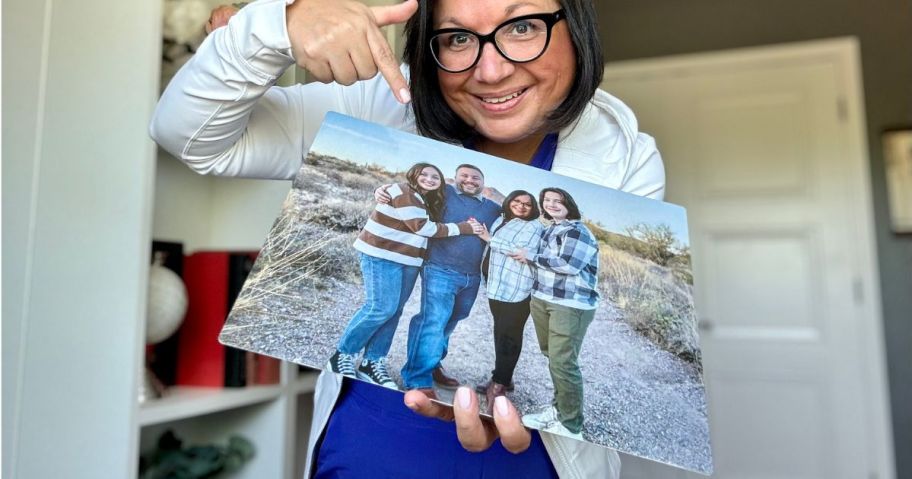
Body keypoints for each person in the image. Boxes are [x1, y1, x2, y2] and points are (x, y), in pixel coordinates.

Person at [150, 0, 665, 476]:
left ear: (575, 27)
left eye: (523, 26)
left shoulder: (622, 155)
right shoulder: (382, 103)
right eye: (457, 39)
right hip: (368, 452)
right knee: (395, 312)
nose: (491, 71)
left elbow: (574, 303)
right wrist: (272, 28)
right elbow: (190, 137)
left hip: (530, 457)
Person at [327, 163, 479, 390]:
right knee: (380, 308)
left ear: (442, 181)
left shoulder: (429, 198)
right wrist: (464, 228)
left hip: (409, 260)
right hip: (382, 255)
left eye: (435, 176)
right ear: (413, 175)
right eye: (424, 174)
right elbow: (423, 228)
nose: (429, 179)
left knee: (394, 311)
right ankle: (342, 355)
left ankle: (373, 362)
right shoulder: (401, 190)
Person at [397, 164, 501, 394]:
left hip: (471, 277)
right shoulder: (445, 192)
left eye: (476, 177)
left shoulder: (493, 208)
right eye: (464, 176)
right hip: (439, 269)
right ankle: (417, 379)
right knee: (433, 320)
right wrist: (382, 190)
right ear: (454, 179)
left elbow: (521, 215)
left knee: (452, 320)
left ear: (484, 182)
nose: (470, 180)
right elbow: (411, 188)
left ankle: (432, 363)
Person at [510, 188, 599, 440]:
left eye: (557, 201)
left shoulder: (578, 231)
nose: (551, 204)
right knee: (553, 357)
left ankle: (571, 427)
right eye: (547, 201)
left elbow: (569, 265)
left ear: (568, 203)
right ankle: (558, 410)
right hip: (542, 298)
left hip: (569, 304)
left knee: (563, 362)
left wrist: (531, 256)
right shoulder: (550, 229)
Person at [471, 190, 544, 412]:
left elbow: (519, 252)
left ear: (533, 209)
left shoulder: (534, 227)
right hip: (496, 286)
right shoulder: (502, 219)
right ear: (509, 201)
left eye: (527, 204)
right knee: (500, 333)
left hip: (517, 289)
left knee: (509, 337)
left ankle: (499, 386)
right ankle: (504, 377)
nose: (521, 206)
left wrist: (489, 239)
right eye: (517, 201)